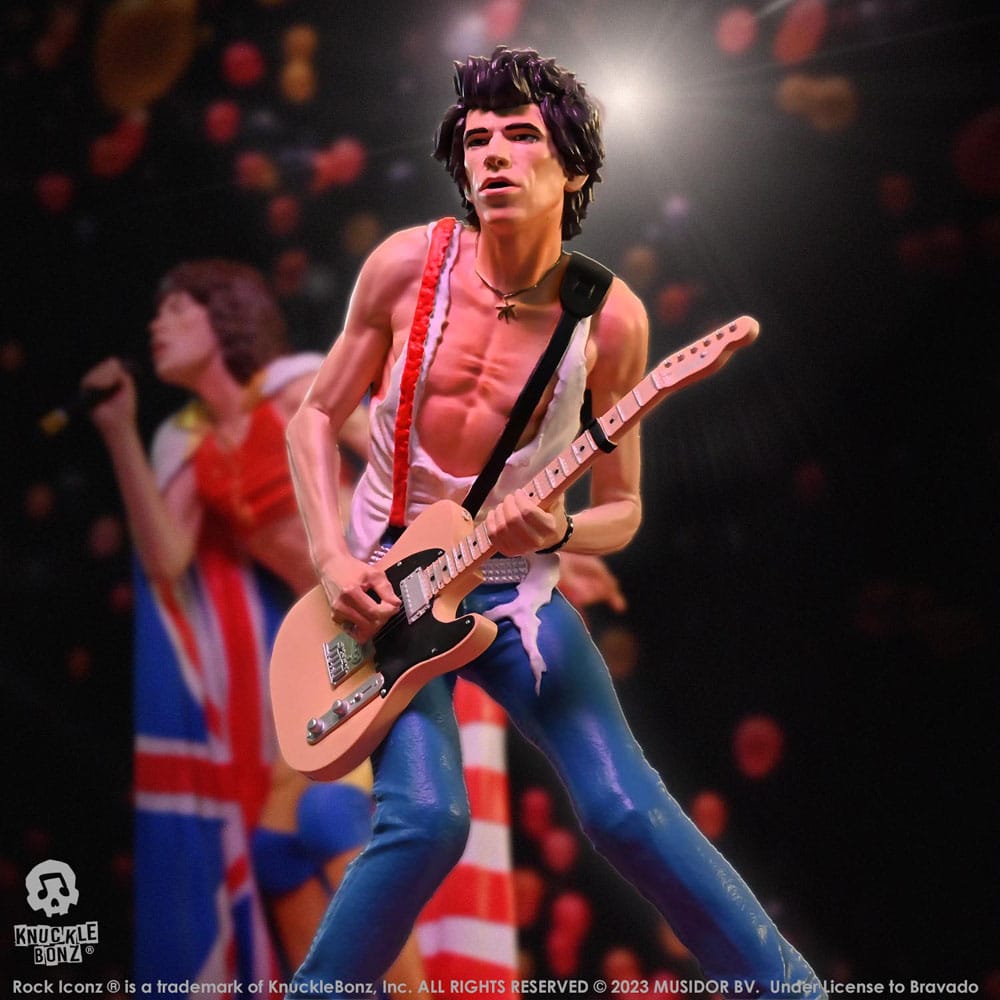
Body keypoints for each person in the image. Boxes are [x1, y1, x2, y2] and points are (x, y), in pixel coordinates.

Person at [282, 46, 826, 999]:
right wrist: (331, 557)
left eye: (521, 136)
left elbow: (623, 508)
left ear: (572, 168)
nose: (492, 154)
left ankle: (790, 991)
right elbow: (314, 417)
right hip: (383, 589)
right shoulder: (405, 267)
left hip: (512, 593)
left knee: (624, 810)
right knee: (426, 822)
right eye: (477, 139)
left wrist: (560, 537)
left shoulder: (610, 321)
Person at [82, 260, 426, 991]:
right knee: (275, 852)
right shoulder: (192, 445)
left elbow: (406, 468)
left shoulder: (301, 388)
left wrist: (501, 557)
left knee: (331, 814)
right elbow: (166, 559)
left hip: (388, 616)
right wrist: (118, 431)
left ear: (224, 317)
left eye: (178, 309)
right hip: (326, 643)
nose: (157, 325)